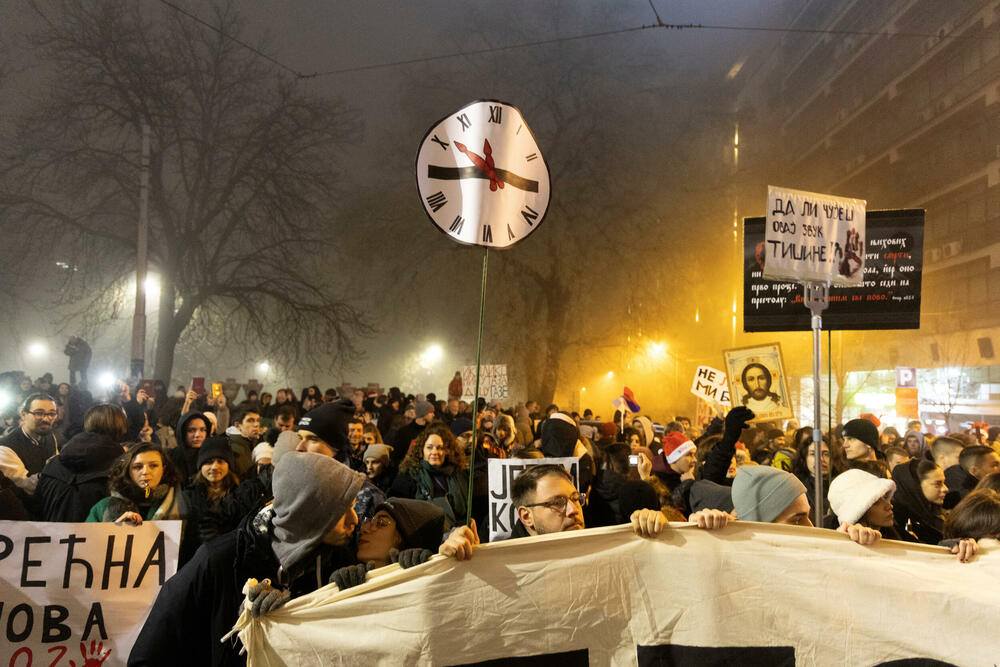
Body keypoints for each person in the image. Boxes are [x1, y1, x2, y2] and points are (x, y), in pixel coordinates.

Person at [130, 452, 365, 666]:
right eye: (340, 512)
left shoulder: (337, 558)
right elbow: (151, 653)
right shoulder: (220, 560)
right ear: (308, 512)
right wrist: (242, 621)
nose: (354, 521)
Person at [329, 498, 479, 591]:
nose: (364, 528)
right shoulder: (347, 575)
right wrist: (335, 594)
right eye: (369, 520)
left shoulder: (426, 587)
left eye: (381, 523)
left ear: (402, 539)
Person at [36, 404, 128, 522]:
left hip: (49, 537)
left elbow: (36, 506)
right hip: (97, 539)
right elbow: (144, 497)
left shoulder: (54, 463)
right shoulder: (121, 470)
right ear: (121, 427)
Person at [390, 422, 468, 530]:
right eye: (429, 447)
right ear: (422, 450)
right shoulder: (409, 476)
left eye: (440, 448)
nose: (435, 452)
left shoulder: (458, 475)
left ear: (447, 451)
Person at [86, 442, 185, 523]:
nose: (146, 472)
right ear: (127, 471)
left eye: (153, 465)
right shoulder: (102, 507)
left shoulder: (182, 503)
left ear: (164, 469)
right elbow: (90, 544)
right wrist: (114, 531)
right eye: (137, 467)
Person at [179, 436, 241, 566]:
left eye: (220, 461)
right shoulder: (187, 496)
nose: (214, 467)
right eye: (208, 462)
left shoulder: (240, 495)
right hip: (195, 563)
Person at [0, 393, 62, 490]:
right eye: (39, 413)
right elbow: (27, 485)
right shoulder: (5, 448)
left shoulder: (49, 435)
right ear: (23, 415)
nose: (46, 419)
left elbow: (56, 461)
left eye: (52, 413)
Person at [892, 459, 948, 544]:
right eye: (938, 484)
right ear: (915, 485)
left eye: (944, 482)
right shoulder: (895, 521)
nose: (946, 489)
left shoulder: (932, 513)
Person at [168, 411, 210, 485]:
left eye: (202, 430)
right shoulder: (171, 457)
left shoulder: (211, 457)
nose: (197, 435)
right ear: (182, 433)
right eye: (191, 430)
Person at [391, 400, 434, 466]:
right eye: (431, 412)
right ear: (423, 413)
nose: (433, 415)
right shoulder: (404, 431)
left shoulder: (431, 431)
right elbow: (397, 454)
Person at [227, 408, 260, 477]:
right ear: (237, 425)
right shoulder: (233, 449)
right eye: (251, 421)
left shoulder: (253, 442)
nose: (256, 424)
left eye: (258, 420)